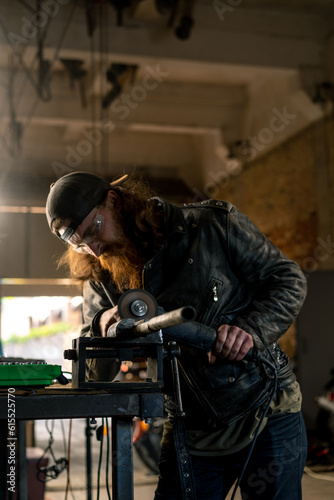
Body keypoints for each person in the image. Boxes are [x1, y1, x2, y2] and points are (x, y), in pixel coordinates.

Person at [46, 171, 308, 500]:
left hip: (264, 409)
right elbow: (94, 374)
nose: (95, 250)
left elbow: (287, 279)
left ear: (115, 201)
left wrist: (250, 330)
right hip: (189, 423)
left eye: (94, 231)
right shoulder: (101, 275)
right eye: (80, 244)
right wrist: (101, 327)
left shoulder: (211, 226)